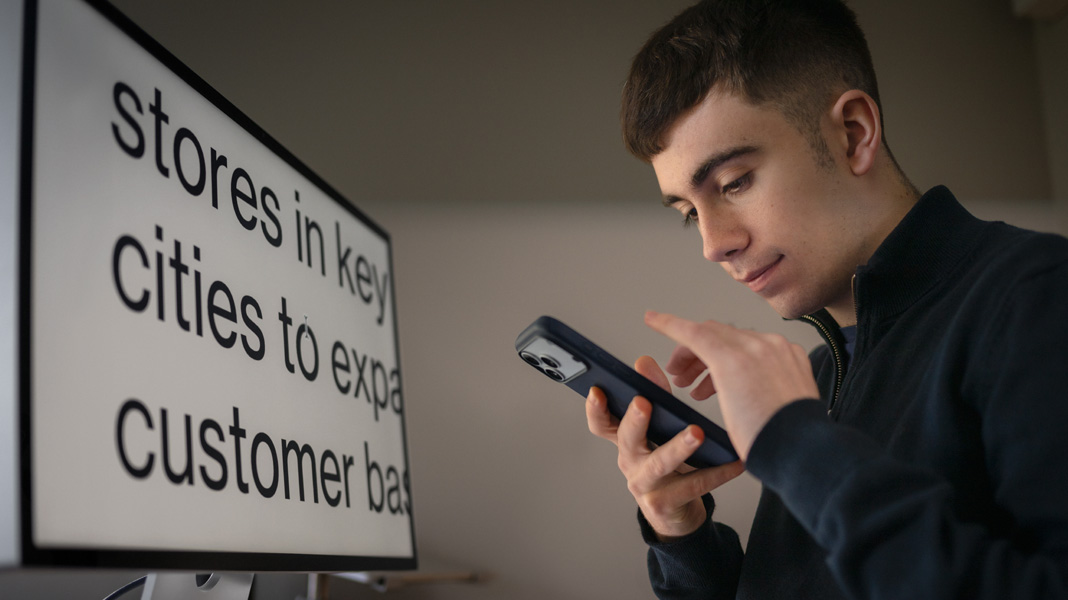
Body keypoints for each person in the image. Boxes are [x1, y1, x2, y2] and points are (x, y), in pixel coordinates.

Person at [583, 0, 1068, 597]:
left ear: (853, 134)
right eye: (689, 213)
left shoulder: (1037, 296)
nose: (713, 244)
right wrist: (682, 533)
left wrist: (798, 445)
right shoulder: (814, 377)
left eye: (734, 183)